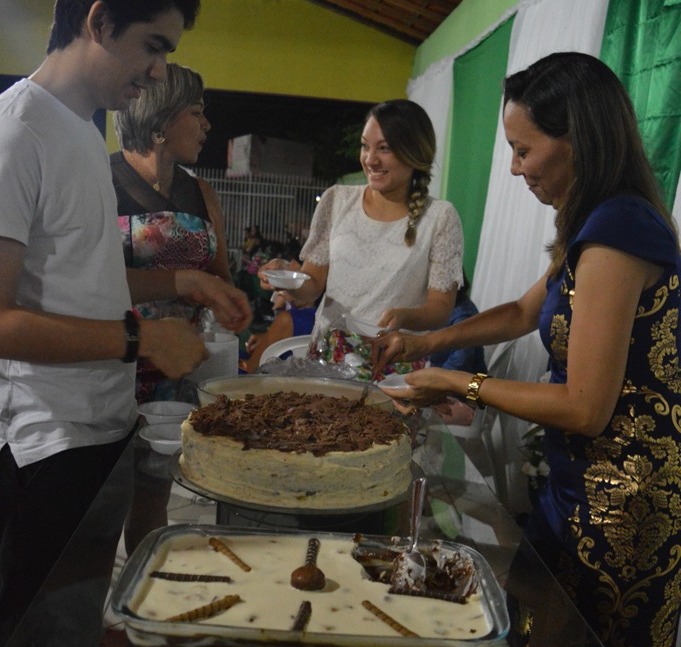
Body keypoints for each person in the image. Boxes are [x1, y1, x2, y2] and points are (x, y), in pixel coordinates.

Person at [373, 52, 681, 647]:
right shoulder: (592, 222)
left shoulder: (620, 229)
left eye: (523, 149)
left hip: (620, 498)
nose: (515, 168)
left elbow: (585, 408)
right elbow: (518, 312)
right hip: (581, 479)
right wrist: (427, 341)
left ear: (580, 140)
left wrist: (458, 383)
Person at [0, 0, 212, 647]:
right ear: (96, 21)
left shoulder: (80, 128)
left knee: (74, 622)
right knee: (30, 636)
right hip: (43, 440)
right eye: (152, 46)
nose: (158, 71)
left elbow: (82, 280)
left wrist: (174, 283)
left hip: (98, 422)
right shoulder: (18, 129)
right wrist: (139, 343)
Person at [112, 63, 252, 550]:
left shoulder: (201, 192)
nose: (206, 124)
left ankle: (137, 597)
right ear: (159, 120)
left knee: (152, 500)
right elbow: (80, 284)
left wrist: (232, 302)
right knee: (99, 510)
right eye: (196, 112)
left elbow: (220, 277)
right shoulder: (100, 182)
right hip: (110, 366)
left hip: (176, 374)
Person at [259, 99, 463, 379]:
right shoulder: (336, 200)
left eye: (384, 148)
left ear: (414, 151)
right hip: (328, 361)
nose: (370, 159)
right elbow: (312, 285)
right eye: (366, 146)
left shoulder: (440, 217)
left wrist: (405, 317)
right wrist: (287, 277)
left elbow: (440, 308)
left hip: (395, 364)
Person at [430, 276, 487, 426]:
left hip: (468, 393)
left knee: (412, 409)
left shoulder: (462, 315)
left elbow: (460, 362)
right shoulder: (448, 310)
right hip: (451, 382)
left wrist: (433, 388)